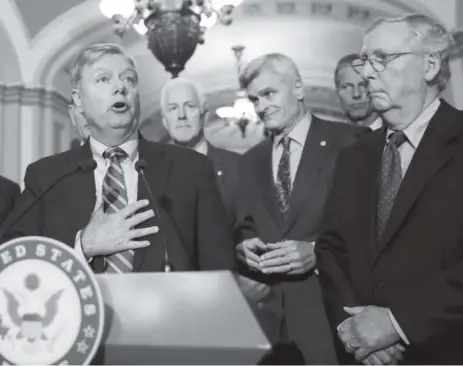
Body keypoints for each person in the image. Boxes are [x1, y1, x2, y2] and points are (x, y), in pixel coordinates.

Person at [2, 43, 236, 273]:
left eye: (129, 79)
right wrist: (82, 247)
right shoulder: (46, 176)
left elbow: (221, 273)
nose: (120, 88)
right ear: (79, 101)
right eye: (104, 79)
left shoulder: (191, 168)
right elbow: (12, 260)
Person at [316, 14, 463, 365]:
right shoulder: (354, 155)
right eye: (366, 60)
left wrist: (397, 324)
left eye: (381, 58)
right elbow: (331, 248)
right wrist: (354, 329)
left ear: (429, 65)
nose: (366, 72)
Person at [235, 52, 368, 364]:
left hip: (331, 319)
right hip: (267, 324)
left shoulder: (352, 142)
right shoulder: (250, 160)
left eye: (269, 94)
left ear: (297, 88)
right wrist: (242, 246)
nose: (261, 107)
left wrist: (316, 252)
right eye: (255, 99)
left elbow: (372, 230)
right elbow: (245, 224)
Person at [160, 77, 241, 229]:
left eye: (190, 106)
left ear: (204, 115)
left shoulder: (238, 167)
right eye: (173, 108)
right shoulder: (149, 174)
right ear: (165, 121)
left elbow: (250, 228)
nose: (181, 115)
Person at [334, 53, 382, 130]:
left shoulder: (394, 137)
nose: (356, 94)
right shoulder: (330, 137)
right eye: (346, 87)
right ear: (337, 95)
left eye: (364, 85)